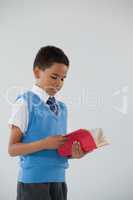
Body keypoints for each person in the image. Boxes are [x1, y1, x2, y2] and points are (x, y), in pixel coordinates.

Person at [8, 46, 86, 200]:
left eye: (63, 78)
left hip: (59, 181)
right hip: (33, 183)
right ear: (37, 72)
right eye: (54, 77)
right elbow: (12, 149)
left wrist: (73, 153)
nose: (59, 83)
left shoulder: (62, 108)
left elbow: (57, 148)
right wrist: (44, 143)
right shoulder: (25, 103)